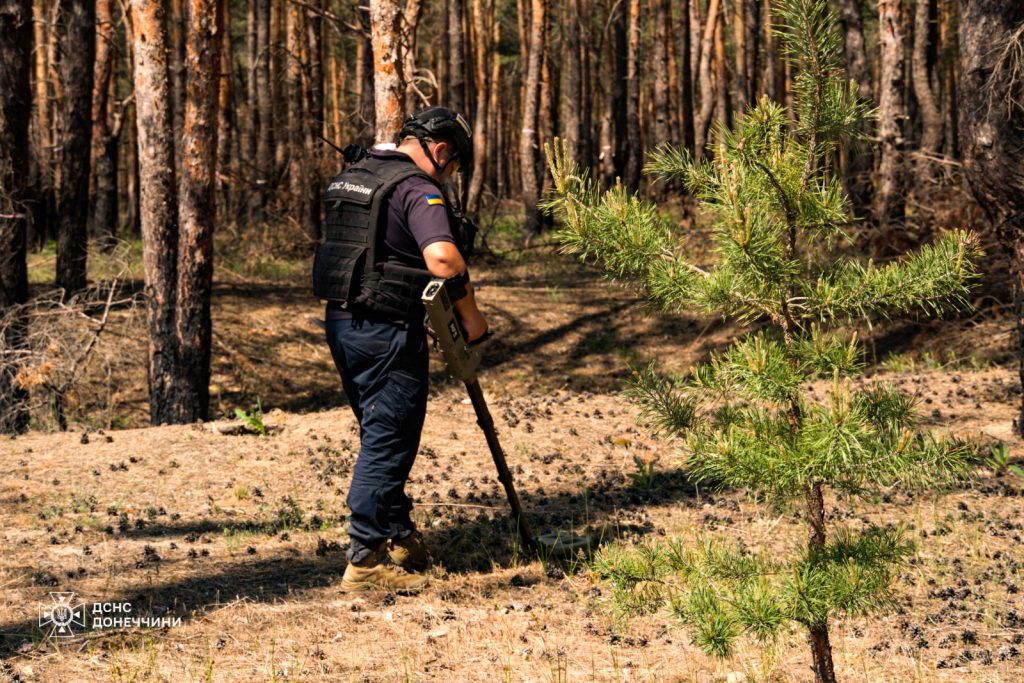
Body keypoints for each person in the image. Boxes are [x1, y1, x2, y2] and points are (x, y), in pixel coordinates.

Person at [313, 107, 487, 593]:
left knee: (380, 429)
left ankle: (400, 534)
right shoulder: (415, 188)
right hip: (387, 328)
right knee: (389, 438)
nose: (450, 177)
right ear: (441, 150)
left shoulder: (359, 175)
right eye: (454, 167)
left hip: (343, 323)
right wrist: (472, 319)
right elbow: (443, 258)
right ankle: (365, 560)